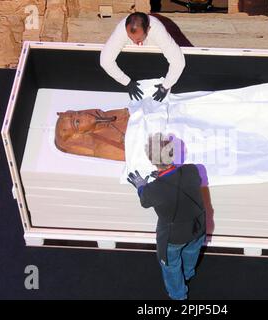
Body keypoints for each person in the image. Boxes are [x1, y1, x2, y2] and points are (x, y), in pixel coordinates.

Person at [127, 133, 206, 300]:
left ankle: (178, 295)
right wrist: (166, 177)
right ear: (173, 154)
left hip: (174, 236)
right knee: (192, 252)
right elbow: (184, 182)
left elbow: (145, 200)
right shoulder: (193, 170)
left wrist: (141, 186)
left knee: (171, 266)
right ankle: (188, 274)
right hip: (198, 227)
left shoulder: (152, 191)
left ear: (151, 160)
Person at [100, 12, 186, 102]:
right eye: (130, 38)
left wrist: (165, 86)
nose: (134, 42)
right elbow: (105, 61)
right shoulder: (121, 30)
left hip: (160, 34)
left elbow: (178, 62)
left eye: (138, 39)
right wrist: (126, 82)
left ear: (148, 29)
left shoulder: (158, 31)